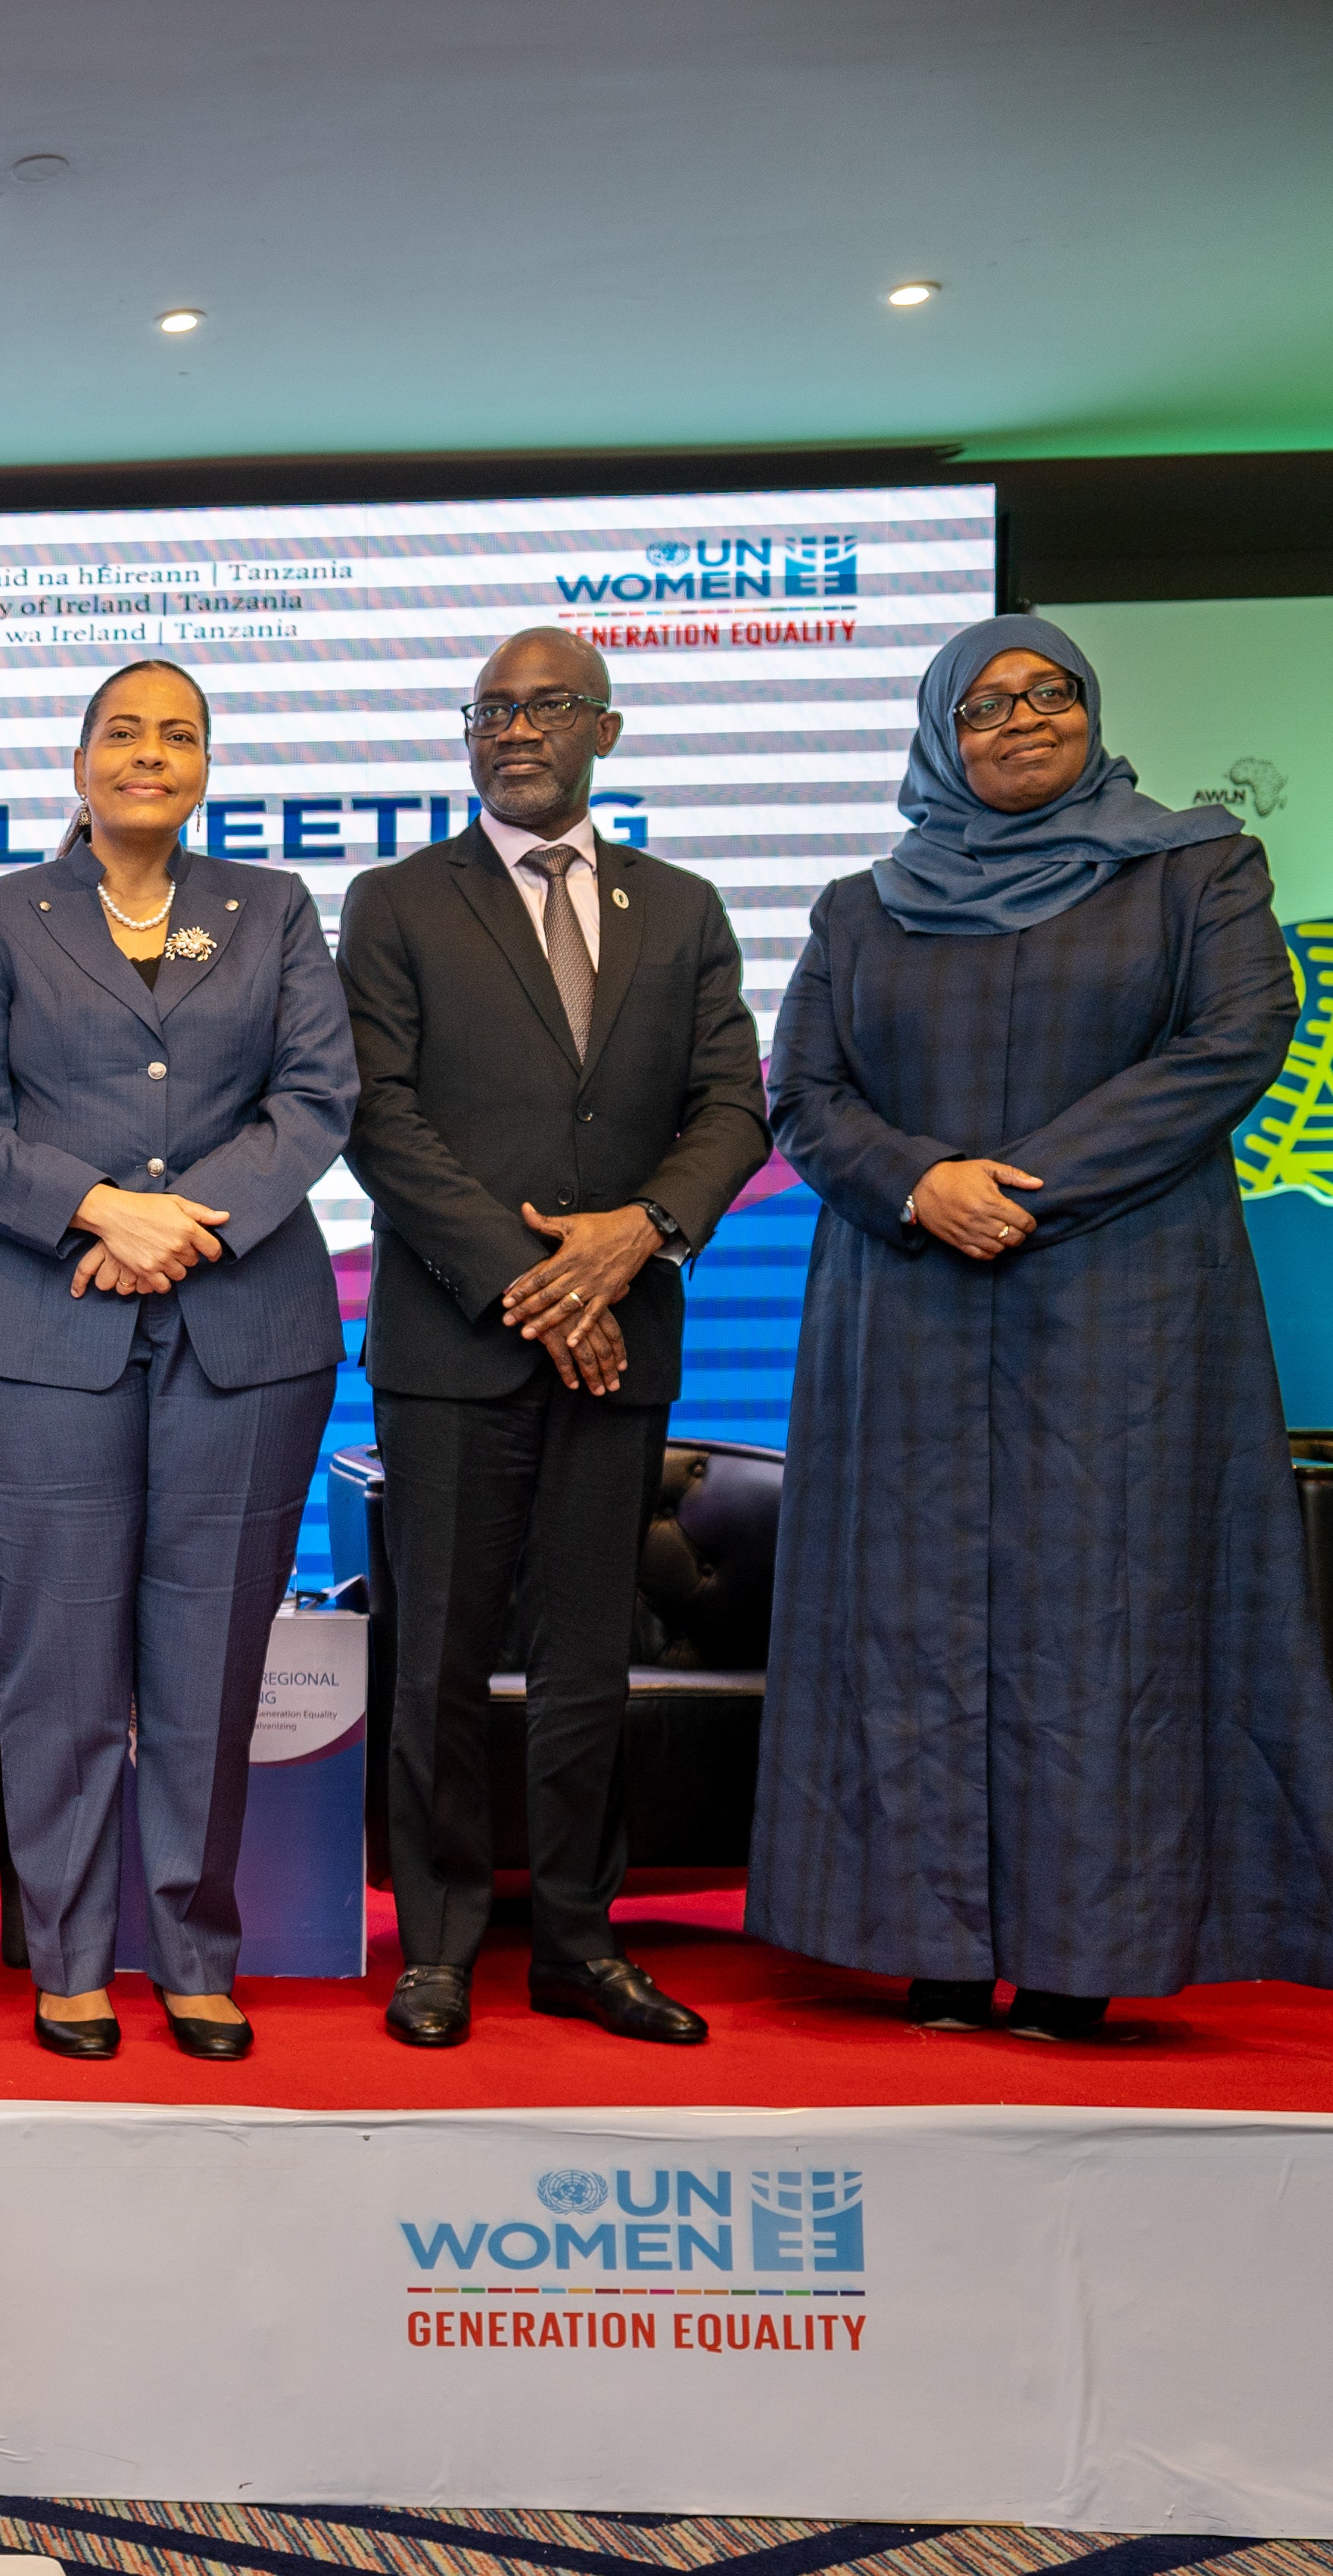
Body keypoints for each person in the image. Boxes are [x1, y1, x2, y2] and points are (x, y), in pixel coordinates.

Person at [752, 616, 1333, 2037]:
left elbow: (1234, 1044)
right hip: (904, 1306)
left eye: (1049, 696)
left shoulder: (1193, 866)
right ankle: (935, 1950)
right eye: (982, 707)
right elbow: (804, 1093)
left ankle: (1089, 1961)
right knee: (905, 1627)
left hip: (1127, 1308)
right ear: (937, 736)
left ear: (1090, 712)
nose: (1020, 723)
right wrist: (921, 1183)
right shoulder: (863, 904)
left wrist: (1021, 1189)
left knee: (1108, 1626)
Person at [0, 660, 356, 2063]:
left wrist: (182, 1225)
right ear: (83, 760)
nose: (149, 754)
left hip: (243, 1337)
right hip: (29, 1339)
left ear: (207, 764)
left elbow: (317, 1096)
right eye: (124, 732)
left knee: (210, 1659)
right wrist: (105, 1212)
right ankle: (68, 1954)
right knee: (58, 1664)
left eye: (178, 734)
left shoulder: (273, 908)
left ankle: (195, 1948)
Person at [338, 629, 770, 2051]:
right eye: (491, 711)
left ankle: (582, 1942)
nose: (514, 731)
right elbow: (379, 1119)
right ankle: (443, 1946)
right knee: (441, 1659)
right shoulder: (396, 902)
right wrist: (537, 1280)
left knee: (591, 1660)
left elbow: (731, 1112)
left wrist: (633, 1238)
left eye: (546, 708)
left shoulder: (686, 909)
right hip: (456, 1339)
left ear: (609, 730)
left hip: (626, 1329)